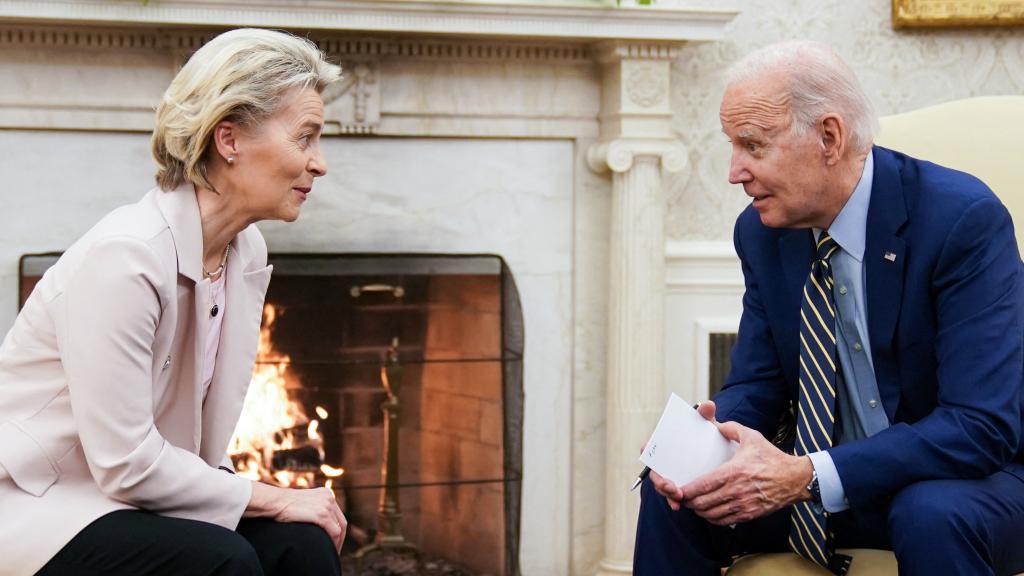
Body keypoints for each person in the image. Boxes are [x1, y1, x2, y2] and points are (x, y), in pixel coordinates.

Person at [634, 40, 1024, 576]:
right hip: (826, 481)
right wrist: (703, 445)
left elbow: (981, 427)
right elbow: (757, 384)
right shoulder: (763, 231)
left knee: (930, 512)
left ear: (829, 137)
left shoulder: (961, 221)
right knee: (679, 496)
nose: (734, 172)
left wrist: (810, 474)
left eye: (752, 145)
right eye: (733, 147)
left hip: (969, 482)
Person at [0, 28, 347, 576]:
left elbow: (197, 447)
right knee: (220, 561)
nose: (319, 163)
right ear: (228, 140)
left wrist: (272, 504)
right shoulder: (126, 257)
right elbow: (124, 464)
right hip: (45, 507)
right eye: (305, 137)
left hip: (132, 500)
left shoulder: (242, 250)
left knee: (301, 546)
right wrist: (273, 495)